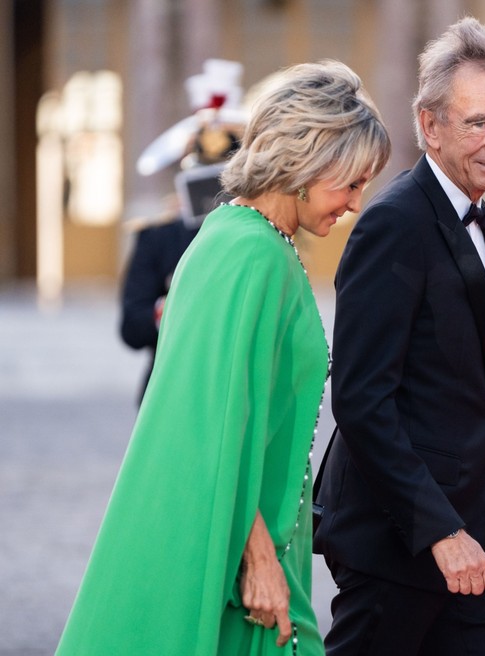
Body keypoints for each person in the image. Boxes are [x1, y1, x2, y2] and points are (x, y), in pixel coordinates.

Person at [55, 60, 390, 655]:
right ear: (310, 162)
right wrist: (258, 561)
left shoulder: (253, 240)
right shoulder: (249, 252)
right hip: (238, 557)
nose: (356, 204)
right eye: (352, 183)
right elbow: (210, 425)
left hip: (253, 538)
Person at [313, 17, 485, 656]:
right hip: (400, 539)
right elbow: (361, 399)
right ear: (429, 125)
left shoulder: (472, 215)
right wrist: (439, 530)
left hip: (462, 529)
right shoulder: (396, 224)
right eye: (478, 123)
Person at [120, 59, 246, 403]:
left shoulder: (261, 233)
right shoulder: (157, 238)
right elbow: (132, 327)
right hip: (170, 387)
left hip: (236, 388)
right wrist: (171, 308)